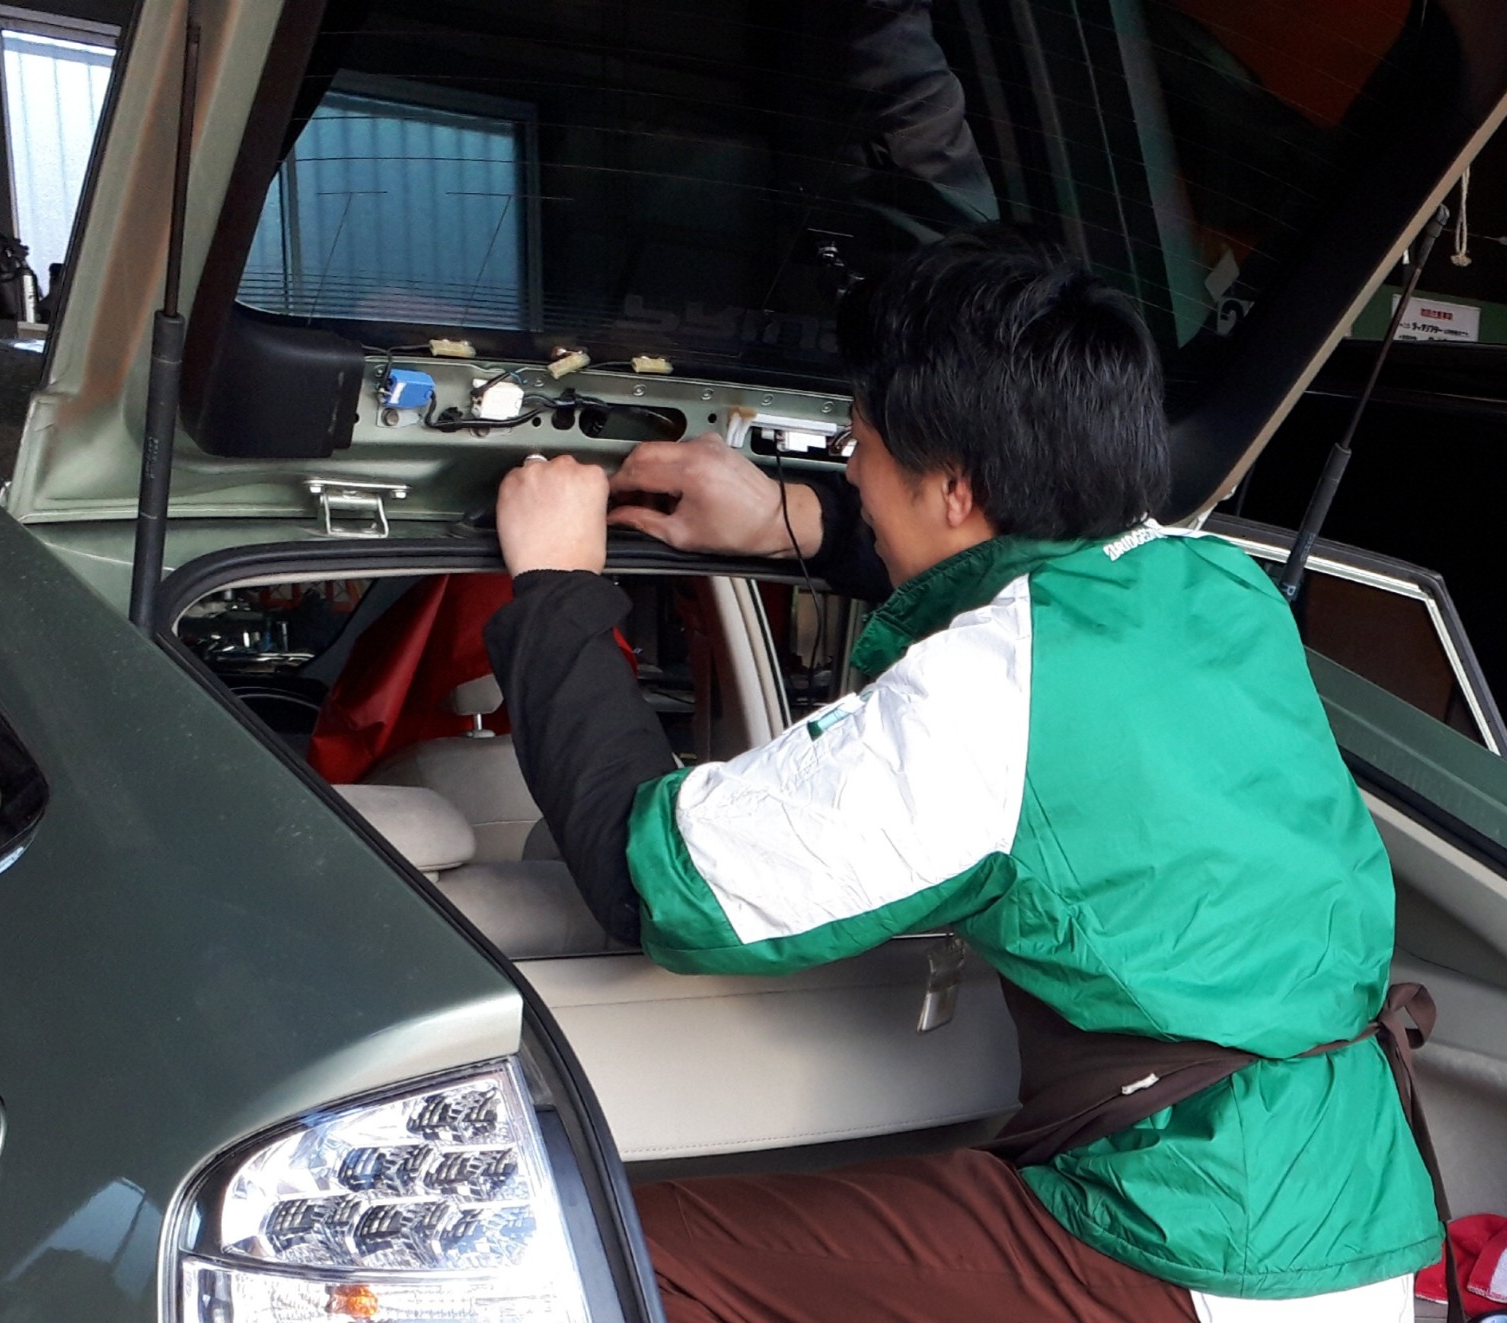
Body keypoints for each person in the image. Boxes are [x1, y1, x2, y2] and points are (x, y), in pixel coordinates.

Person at [483, 241, 1440, 1323]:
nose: (850, 472)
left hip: (1190, 1242)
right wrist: (794, 522)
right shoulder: (1215, 583)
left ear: (954, 488)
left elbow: (648, 878)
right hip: (1340, 1213)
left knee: (591, 1251)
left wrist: (555, 586)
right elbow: (1024, 584)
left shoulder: (978, 699)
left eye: (861, 445)